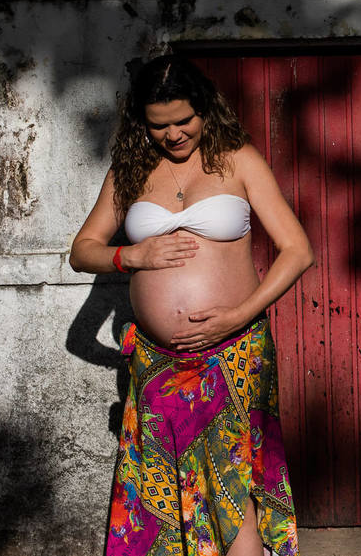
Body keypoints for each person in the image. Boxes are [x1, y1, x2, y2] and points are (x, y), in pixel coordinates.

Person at [70, 55, 312, 556]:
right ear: (142, 122)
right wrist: (130, 255)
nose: (175, 134)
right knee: (171, 490)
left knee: (231, 482)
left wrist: (238, 315)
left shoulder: (239, 160)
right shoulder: (130, 171)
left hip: (233, 348)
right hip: (158, 360)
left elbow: (297, 251)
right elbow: (82, 251)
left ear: (206, 109)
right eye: (160, 126)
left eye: (185, 120)